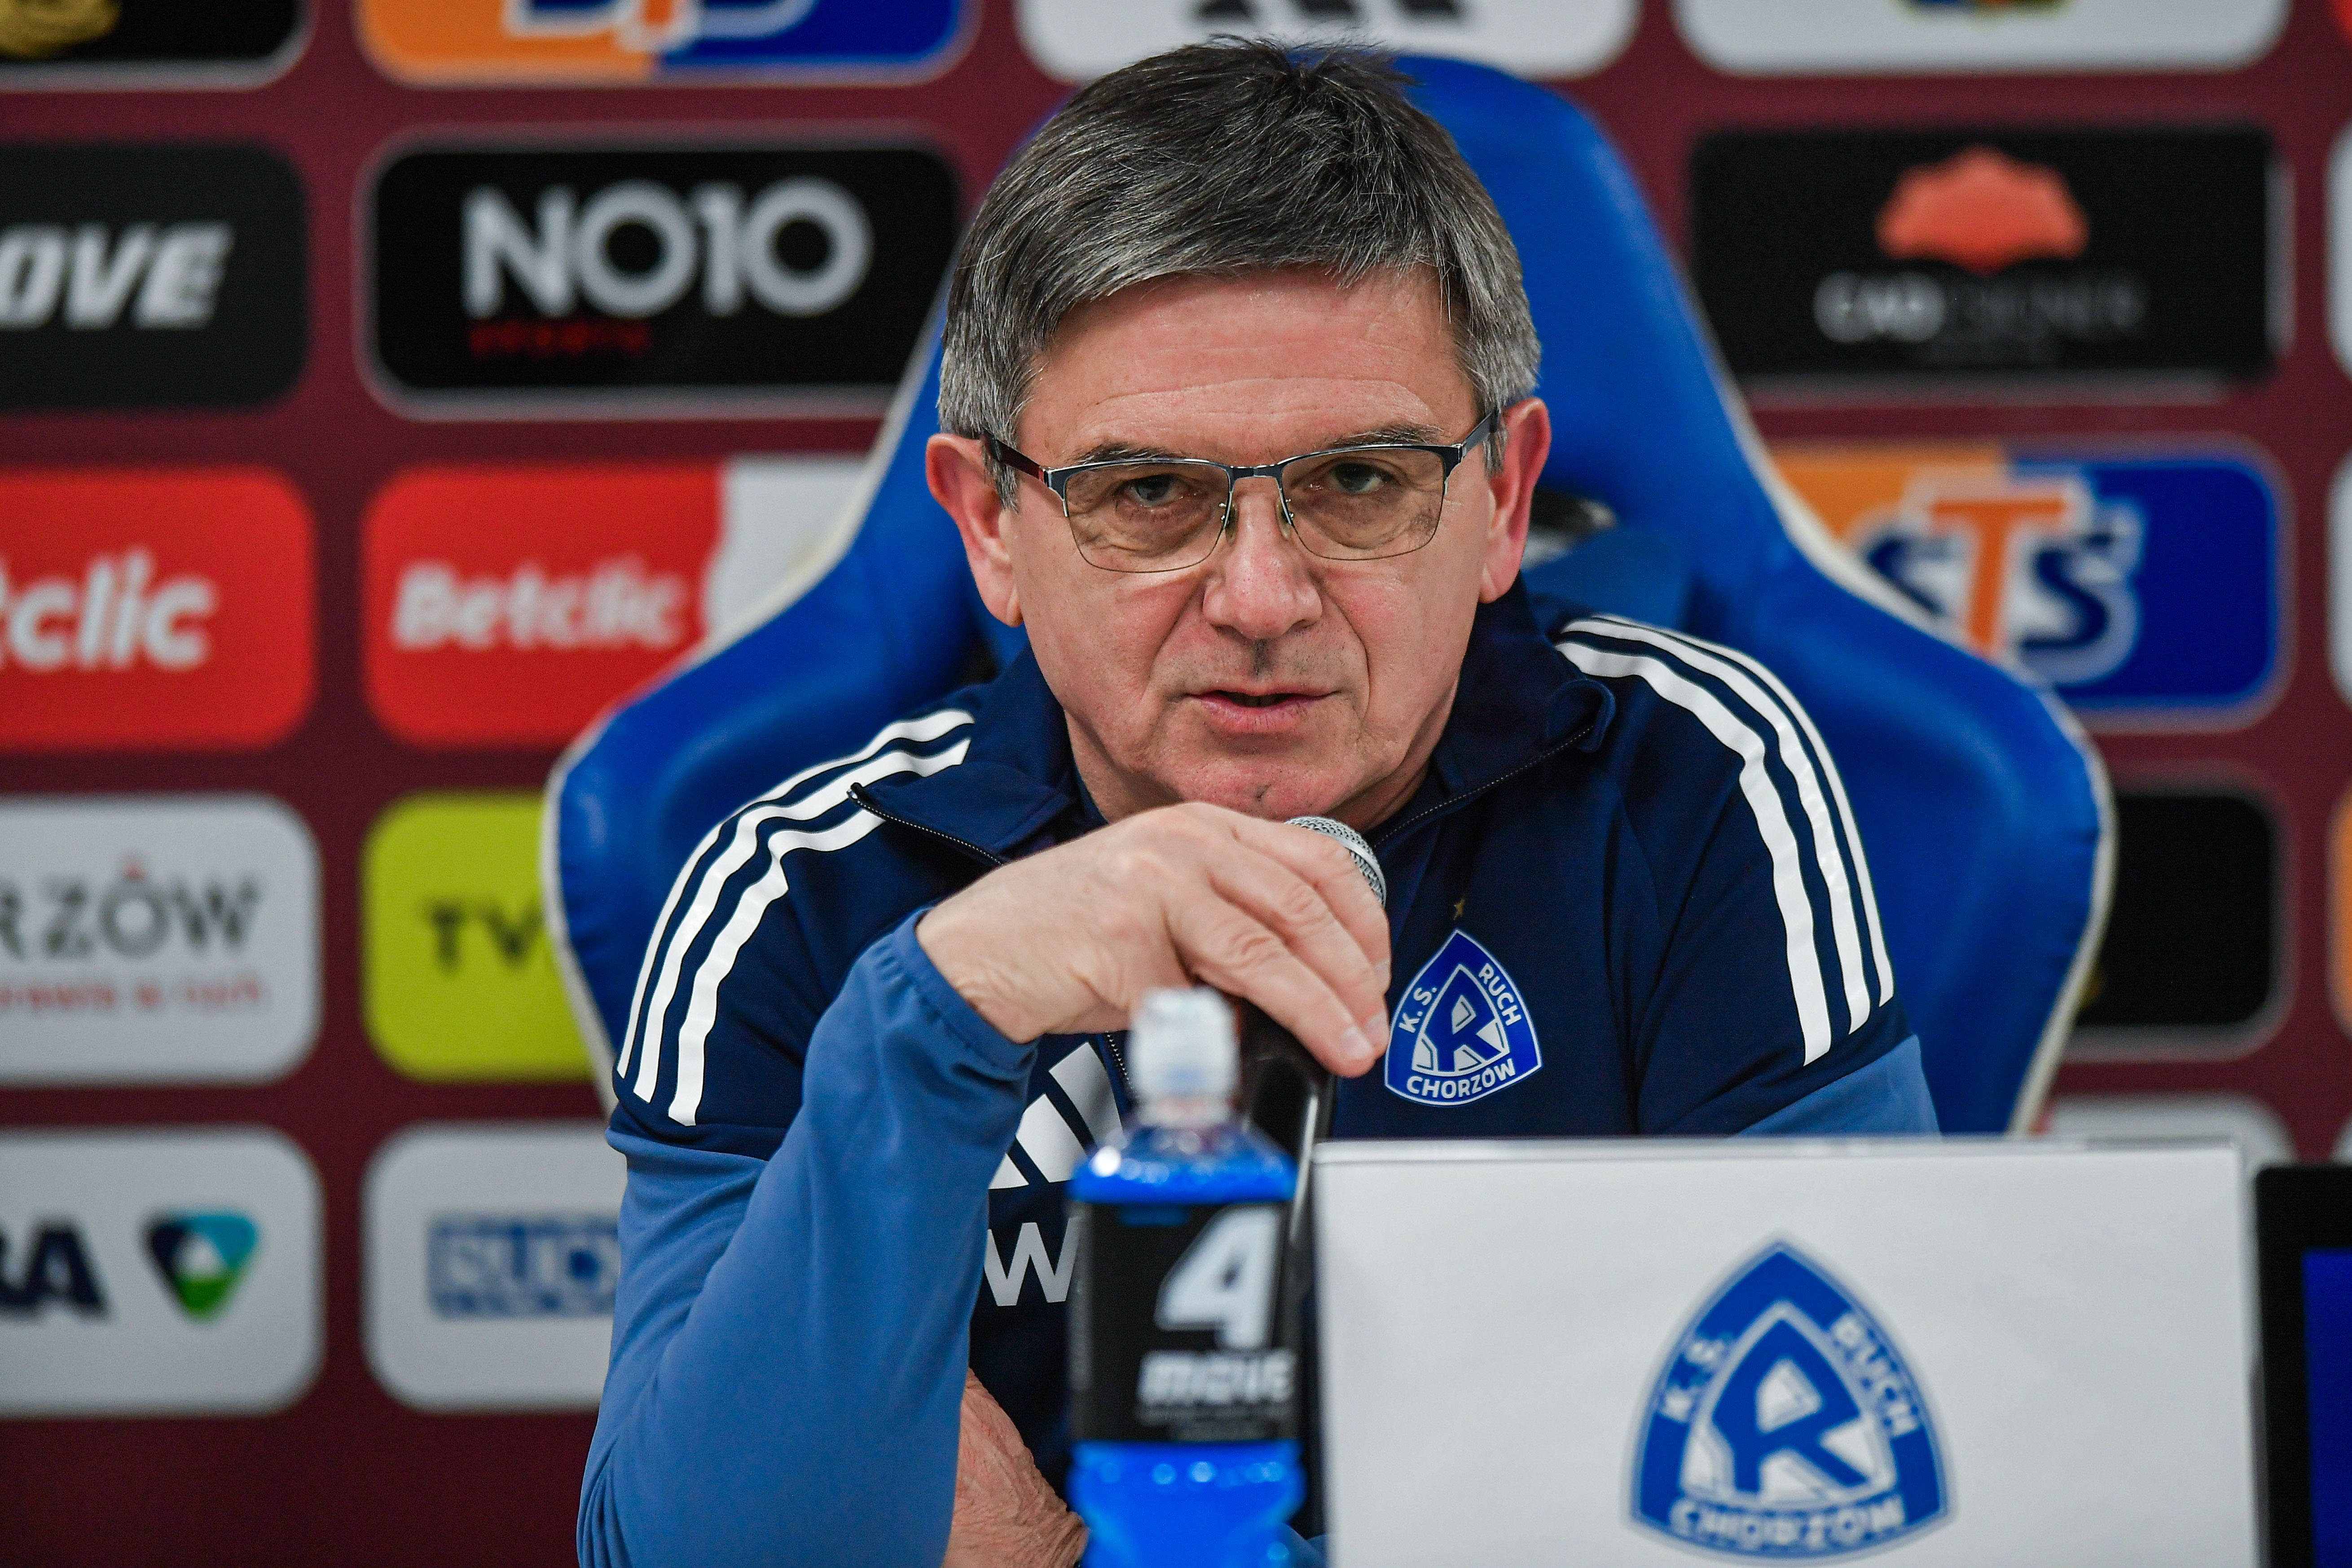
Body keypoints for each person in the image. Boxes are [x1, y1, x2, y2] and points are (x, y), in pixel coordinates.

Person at [577, 40, 1935, 1568]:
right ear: (992, 527)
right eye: (1149, 495)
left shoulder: (1694, 781)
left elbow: (1850, 1510)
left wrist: (1076, 1559)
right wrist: (936, 1018)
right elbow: (674, 1554)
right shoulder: (800, 893)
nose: (1261, 597)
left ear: (1501, 502)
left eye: (1361, 482)